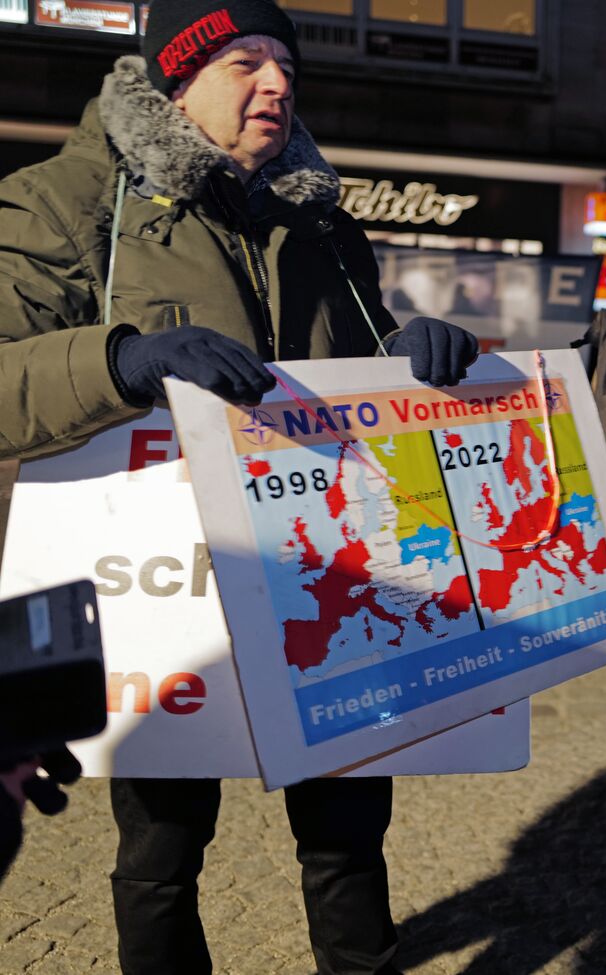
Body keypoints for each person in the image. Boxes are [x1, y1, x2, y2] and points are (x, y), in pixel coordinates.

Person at [0, 0, 477, 970]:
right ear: (174, 80)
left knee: (347, 832)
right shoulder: (65, 201)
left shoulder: (323, 223)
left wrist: (412, 359)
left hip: (328, 581)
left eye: (286, 66)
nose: (277, 84)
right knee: (163, 848)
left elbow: (355, 369)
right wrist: (119, 363)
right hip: (165, 593)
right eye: (244, 62)